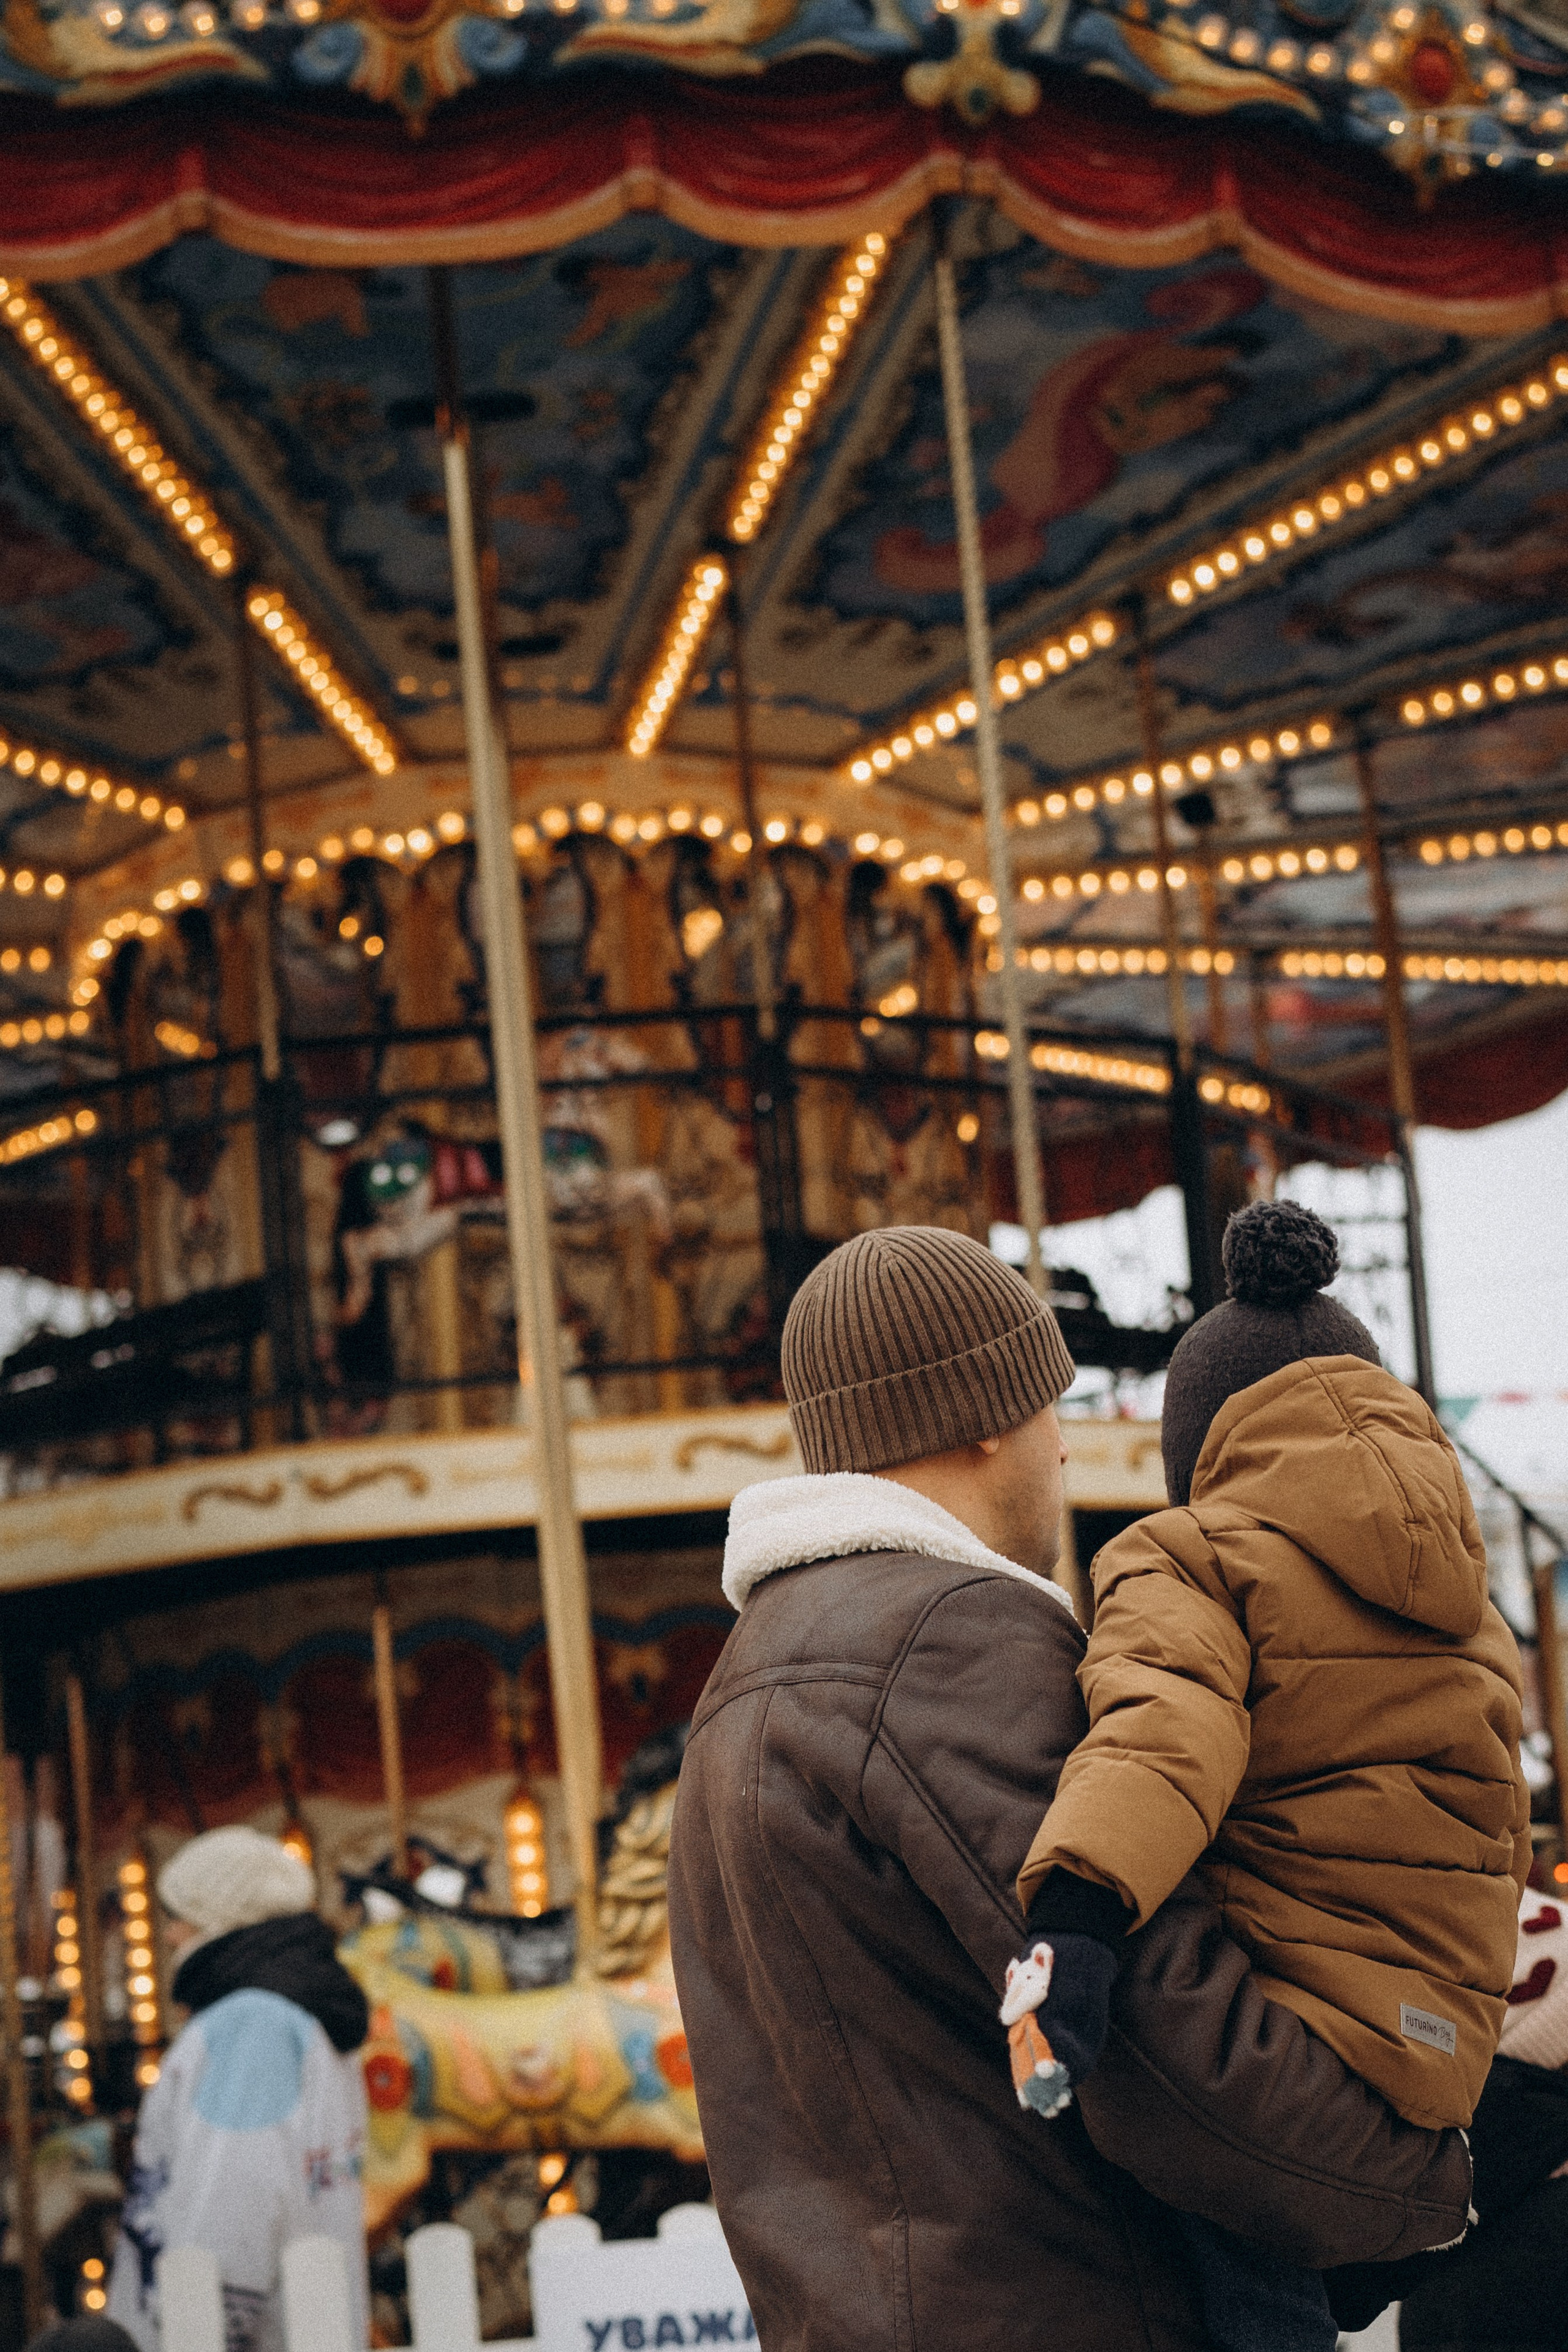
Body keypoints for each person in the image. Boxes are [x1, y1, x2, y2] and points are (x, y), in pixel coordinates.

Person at [668, 1225, 1474, 2352]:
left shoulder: (742, 1690)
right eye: (1054, 1406)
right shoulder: (952, 1646)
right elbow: (1166, 2043)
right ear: (994, 1417)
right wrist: (1430, 2182)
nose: (1062, 1450)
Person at [1003, 1198, 1530, 2352]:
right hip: (1435, 2077)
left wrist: (1077, 1921)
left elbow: (1161, 1729)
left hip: (1292, 2053)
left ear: (1200, 1450)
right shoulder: (1471, 1604)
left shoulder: (1188, 1557)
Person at [107, 1827, 370, 2352]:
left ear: (219, 1918)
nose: (169, 1936)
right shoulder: (292, 2016)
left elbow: (232, 2207)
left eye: (178, 1917)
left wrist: (199, 2329)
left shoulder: (252, 2026)